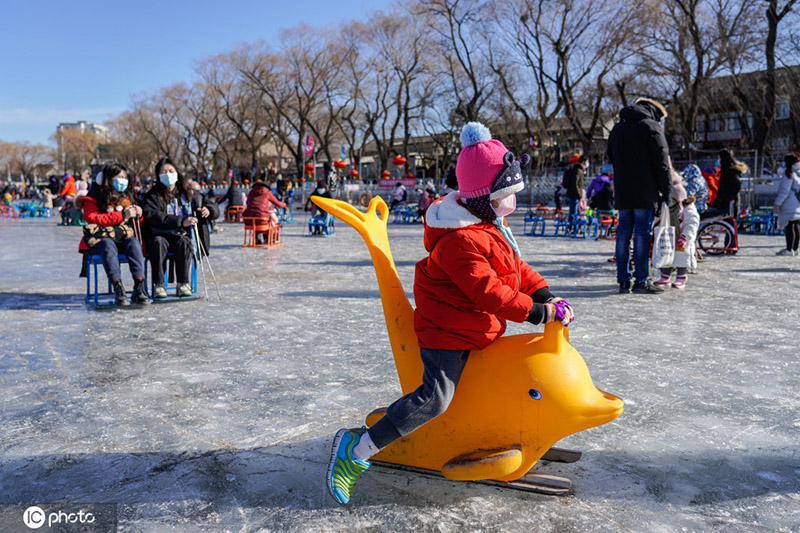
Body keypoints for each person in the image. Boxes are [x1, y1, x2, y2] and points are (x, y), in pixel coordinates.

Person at [325, 122, 575, 505]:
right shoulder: (459, 240)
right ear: (481, 196)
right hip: (447, 332)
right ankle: (356, 451)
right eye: (505, 194)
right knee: (435, 398)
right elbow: (487, 290)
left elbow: (516, 270)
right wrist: (538, 313)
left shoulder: (490, 224)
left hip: (473, 326)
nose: (512, 202)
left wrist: (546, 294)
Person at [607, 97, 671, 294]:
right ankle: (641, 280)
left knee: (623, 235)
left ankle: (623, 280)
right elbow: (662, 162)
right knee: (642, 236)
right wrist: (665, 192)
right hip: (645, 191)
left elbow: (611, 155)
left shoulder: (617, 129)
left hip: (624, 191)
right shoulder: (651, 127)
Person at [79, 163, 150, 306]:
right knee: (107, 244)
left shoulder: (128, 195)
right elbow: (92, 218)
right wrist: (122, 215)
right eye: (119, 177)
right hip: (100, 239)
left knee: (133, 242)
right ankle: (118, 286)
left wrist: (138, 214)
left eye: (125, 177)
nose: (123, 180)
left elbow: (135, 223)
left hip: (123, 237)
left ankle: (139, 285)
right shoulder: (93, 197)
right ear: (108, 179)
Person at [141, 157, 204, 298]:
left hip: (179, 234)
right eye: (163, 172)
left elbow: (204, 204)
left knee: (184, 243)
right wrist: (181, 221)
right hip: (159, 233)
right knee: (158, 243)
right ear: (158, 175)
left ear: (177, 173)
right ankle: (159, 284)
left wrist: (207, 210)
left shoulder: (185, 193)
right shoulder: (152, 195)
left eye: (171, 171)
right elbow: (152, 216)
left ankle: (183, 283)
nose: (167, 174)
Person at [653, 172, 700, 289]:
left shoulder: (688, 208)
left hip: (682, 238)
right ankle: (665, 275)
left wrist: (686, 236)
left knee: (681, 258)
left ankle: (681, 276)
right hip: (669, 236)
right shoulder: (667, 207)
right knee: (667, 255)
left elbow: (692, 223)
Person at [703, 149, 747, 219]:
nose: (718, 161)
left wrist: (726, 198)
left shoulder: (730, 172)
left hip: (727, 205)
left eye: (719, 159)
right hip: (724, 203)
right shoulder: (725, 171)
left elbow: (735, 186)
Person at [773, 152, 800, 256]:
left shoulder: (788, 174)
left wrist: (777, 204)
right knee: (795, 225)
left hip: (789, 203)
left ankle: (789, 249)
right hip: (797, 203)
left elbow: (784, 191)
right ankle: (795, 248)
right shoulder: (798, 172)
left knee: (789, 226)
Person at [187, 179, 220, 254]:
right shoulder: (183, 200)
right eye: (192, 190)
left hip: (201, 235)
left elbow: (215, 211)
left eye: (197, 190)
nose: (195, 194)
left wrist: (209, 209)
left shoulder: (203, 199)